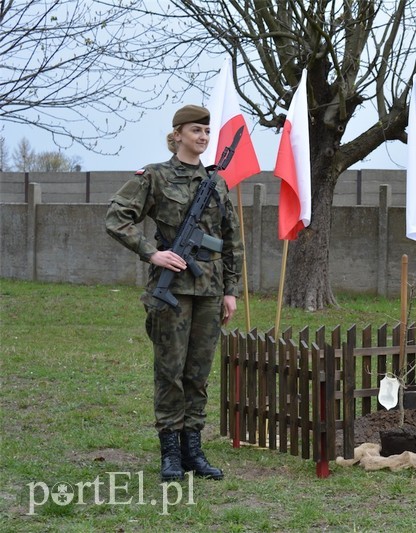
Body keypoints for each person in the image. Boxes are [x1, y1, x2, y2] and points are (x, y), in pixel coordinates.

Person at [105, 104, 243, 480]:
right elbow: (117, 218)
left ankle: (192, 452)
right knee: (170, 372)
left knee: (198, 374)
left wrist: (231, 291)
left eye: (206, 132)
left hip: (210, 292)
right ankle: (169, 453)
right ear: (177, 134)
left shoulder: (216, 183)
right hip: (172, 293)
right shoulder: (155, 176)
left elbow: (230, 240)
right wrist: (152, 253)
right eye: (195, 130)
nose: (203, 137)